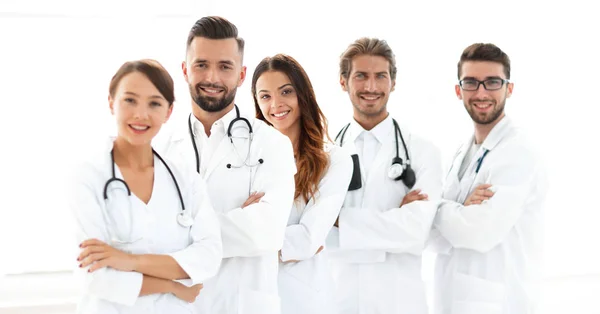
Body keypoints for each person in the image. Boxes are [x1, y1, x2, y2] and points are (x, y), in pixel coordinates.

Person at [157, 16, 296, 314]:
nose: (212, 78)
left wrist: (178, 227)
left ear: (242, 75)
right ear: (184, 70)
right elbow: (144, 233)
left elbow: (267, 232)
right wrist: (239, 221)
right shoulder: (160, 148)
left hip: (243, 304)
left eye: (225, 67)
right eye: (201, 65)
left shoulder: (272, 144)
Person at [69, 59, 222, 313]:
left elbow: (208, 257)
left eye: (154, 103)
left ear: (168, 111)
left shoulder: (185, 179)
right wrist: (173, 286)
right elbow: (94, 275)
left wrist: (126, 260)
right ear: (111, 103)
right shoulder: (88, 177)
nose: (141, 114)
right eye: (130, 100)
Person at [326, 37, 443, 314]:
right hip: (336, 299)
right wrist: (392, 222)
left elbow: (415, 231)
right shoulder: (324, 153)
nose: (371, 86)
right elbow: (312, 231)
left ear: (393, 82)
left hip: (399, 301)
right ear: (343, 82)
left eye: (380, 76)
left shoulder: (423, 152)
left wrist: (338, 219)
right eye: (361, 76)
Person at [429, 43, 548, 314]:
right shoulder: (463, 151)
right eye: (471, 83)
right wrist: (457, 212)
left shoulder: (518, 152)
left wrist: (435, 206)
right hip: (452, 299)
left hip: (500, 302)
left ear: (509, 88)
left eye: (492, 82)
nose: (481, 92)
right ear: (458, 91)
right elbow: (431, 238)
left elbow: (477, 233)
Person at [252, 54, 353, 314]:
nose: (276, 104)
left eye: (286, 91)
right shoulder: (247, 158)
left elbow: (308, 239)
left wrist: (248, 236)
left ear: (302, 95)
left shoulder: (334, 160)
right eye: (265, 96)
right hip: (252, 294)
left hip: (304, 300)